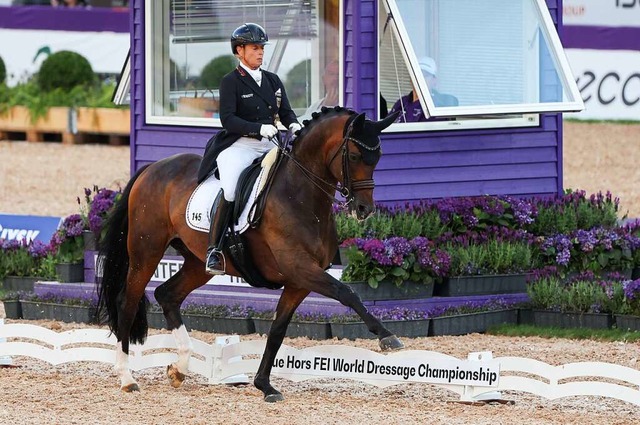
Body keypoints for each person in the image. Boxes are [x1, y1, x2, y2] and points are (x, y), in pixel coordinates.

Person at [203, 23, 301, 275]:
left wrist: (295, 125)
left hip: (270, 145)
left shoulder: (272, 80)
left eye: (261, 48)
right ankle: (214, 249)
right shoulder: (230, 82)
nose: (260, 53)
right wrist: (257, 129)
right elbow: (228, 120)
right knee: (232, 189)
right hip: (240, 146)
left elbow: (286, 111)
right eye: (255, 48)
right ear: (239, 51)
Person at [389, 57, 458, 123]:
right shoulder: (402, 102)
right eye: (416, 74)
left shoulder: (436, 106)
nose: (419, 78)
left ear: (434, 80)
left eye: (425, 75)